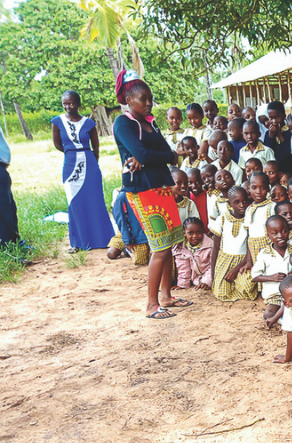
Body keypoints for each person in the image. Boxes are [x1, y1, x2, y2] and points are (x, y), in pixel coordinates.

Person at [113, 70, 191, 319]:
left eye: (150, 98)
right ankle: (151, 304)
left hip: (160, 185)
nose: (148, 103)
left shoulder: (150, 121)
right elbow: (160, 154)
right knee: (159, 246)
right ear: (128, 100)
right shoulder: (123, 123)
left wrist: (148, 156)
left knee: (168, 243)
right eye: (143, 99)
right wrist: (158, 156)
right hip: (142, 190)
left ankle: (166, 296)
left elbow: (158, 151)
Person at [52, 90, 115, 251]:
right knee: (74, 203)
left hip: (90, 165)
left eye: (71, 103)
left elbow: (96, 147)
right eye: (64, 104)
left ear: (78, 104)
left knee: (95, 200)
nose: (67, 107)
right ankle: (78, 242)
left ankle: (102, 239)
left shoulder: (88, 123)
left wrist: (92, 161)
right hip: (70, 165)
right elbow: (58, 144)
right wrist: (71, 151)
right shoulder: (57, 122)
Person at [209, 186, 257, 301]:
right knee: (221, 292)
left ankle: (238, 285)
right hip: (224, 260)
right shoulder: (222, 219)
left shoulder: (250, 219)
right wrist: (213, 276)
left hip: (244, 261)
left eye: (244, 201)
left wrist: (236, 269)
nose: (242, 205)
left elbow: (250, 247)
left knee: (247, 288)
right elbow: (215, 249)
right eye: (237, 202)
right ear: (229, 204)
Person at [251, 215, 292, 322]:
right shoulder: (264, 254)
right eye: (275, 233)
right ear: (268, 235)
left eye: (284, 231)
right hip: (274, 295)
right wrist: (272, 277)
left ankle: (285, 318)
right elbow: (255, 276)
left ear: (289, 232)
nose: (280, 236)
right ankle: (281, 320)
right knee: (268, 314)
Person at [106, 189, 150, 265]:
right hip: (128, 232)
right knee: (111, 253)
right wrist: (127, 240)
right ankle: (126, 249)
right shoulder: (121, 194)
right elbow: (121, 220)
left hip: (144, 232)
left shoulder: (149, 190)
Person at [172, 217, 213, 290]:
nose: (195, 236)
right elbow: (183, 267)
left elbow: (213, 266)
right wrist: (183, 284)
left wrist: (206, 282)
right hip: (196, 280)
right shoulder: (181, 249)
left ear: (203, 232)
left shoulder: (210, 246)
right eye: (190, 233)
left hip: (211, 277)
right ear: (184, 233)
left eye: (198, 232)